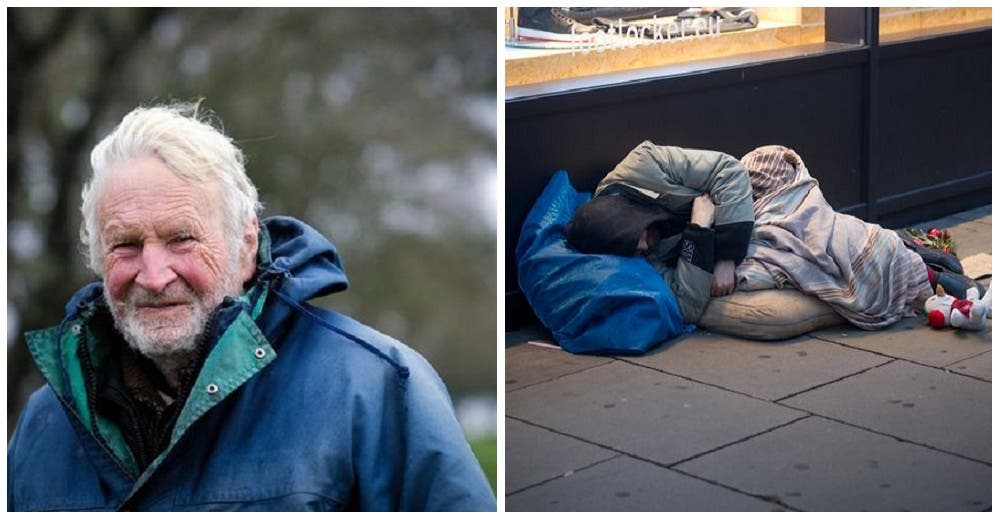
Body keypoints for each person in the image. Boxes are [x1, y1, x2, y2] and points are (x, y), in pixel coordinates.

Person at [6, 104, 496, 512]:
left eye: (182, 239)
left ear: (245, 248)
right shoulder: (44, 424)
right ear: (97, 260)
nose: (153, 276)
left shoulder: (378, 388)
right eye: (125, 246)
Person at [566, 141, 980, 329]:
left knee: (768, 163)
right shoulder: (632, 252)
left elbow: (725, 170)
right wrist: (697, 228)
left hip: (739, 205)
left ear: (627, 214)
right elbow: (688, 302)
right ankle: (914, 266)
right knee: (795, 246)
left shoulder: (646, 162)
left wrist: (725, 251)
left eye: (637, 235)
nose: (643, 245)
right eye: (634, 247)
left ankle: (913, 259)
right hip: (716, 228)